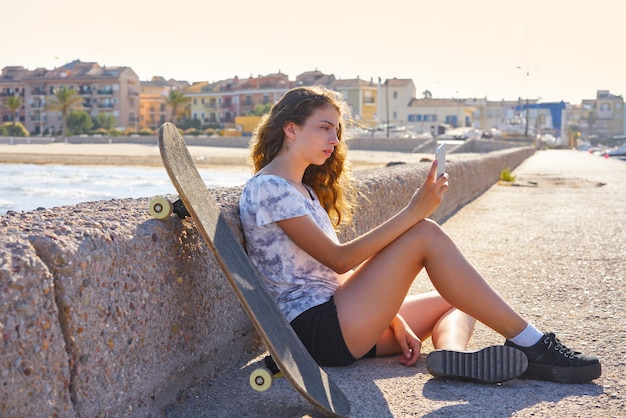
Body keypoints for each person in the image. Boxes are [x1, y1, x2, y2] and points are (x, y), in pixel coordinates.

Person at [238, 85, 601, 384]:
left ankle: (454, 357)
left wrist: (393, 319)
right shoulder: (270, 188)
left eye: (336, 130)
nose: (335, 139)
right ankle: (534, 346)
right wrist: (414, 211)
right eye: (325, 127)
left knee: (460, 298)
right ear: (291, 128)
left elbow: (332, 274)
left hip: (341, 318)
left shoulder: (303, 190)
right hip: (314, 331)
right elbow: (339, 257)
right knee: (424, 233)